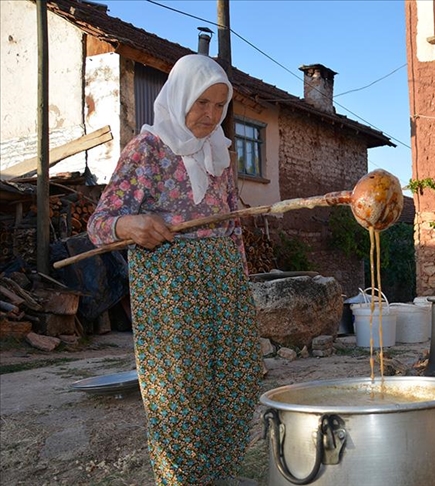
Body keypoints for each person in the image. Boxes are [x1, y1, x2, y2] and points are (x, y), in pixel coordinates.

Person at [87, 54, 260, 486]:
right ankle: (182, 479)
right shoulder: (147, 150)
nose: (210, 115)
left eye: (220, 106)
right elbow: (99, 224)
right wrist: (131, 225)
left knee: (235, 382)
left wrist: (241, 280)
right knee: (181, 393)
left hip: (224, 279)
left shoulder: (221, 152)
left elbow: (231, 221)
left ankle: (218, 473)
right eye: (202, 102)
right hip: (171, 284)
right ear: (181, 96)